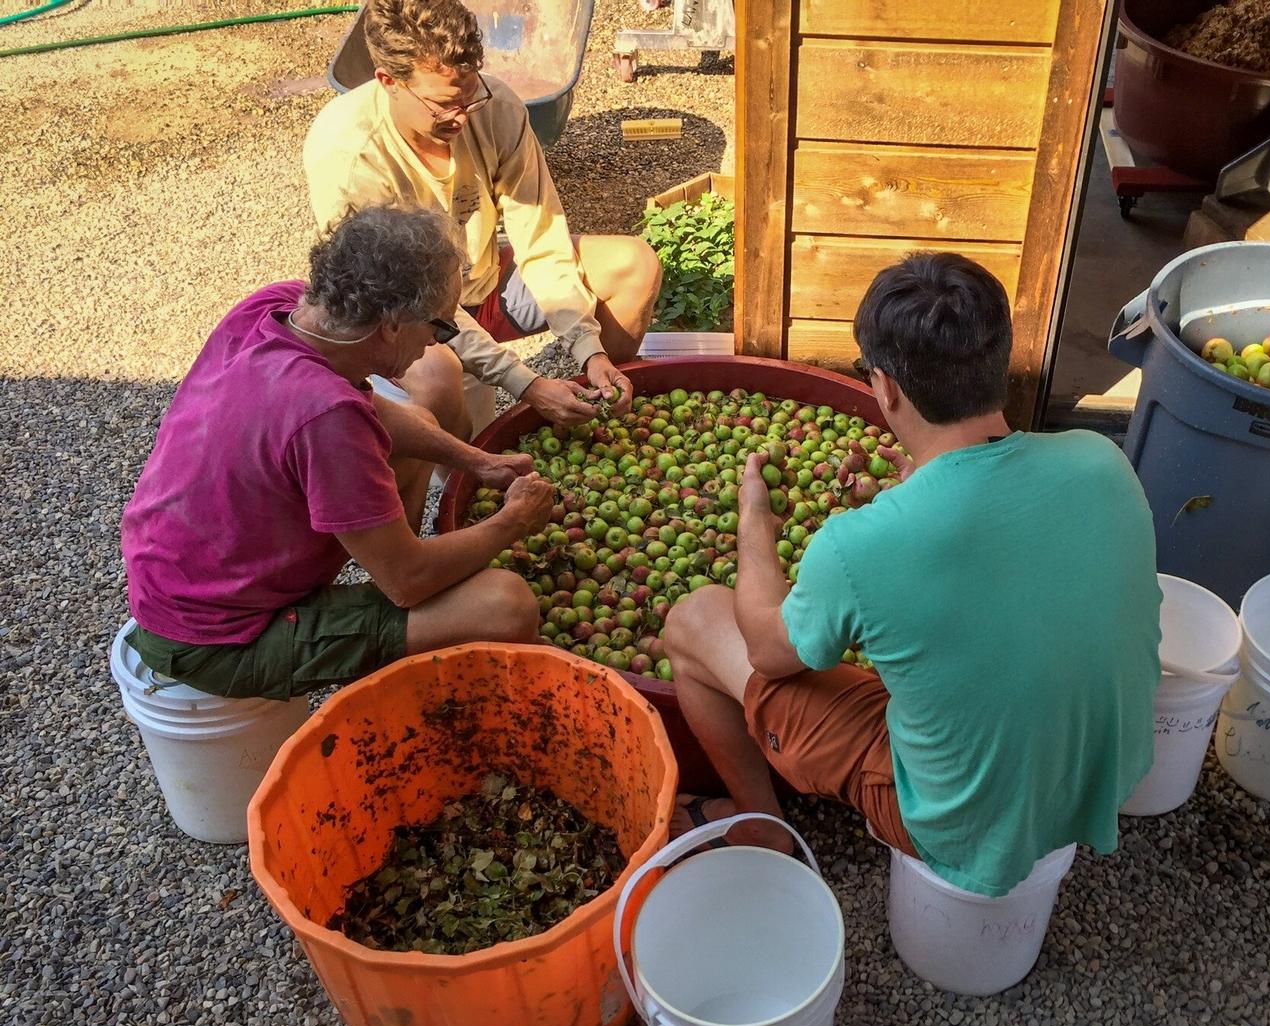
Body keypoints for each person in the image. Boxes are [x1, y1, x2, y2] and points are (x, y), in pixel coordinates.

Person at [663, 253, 1162, 896]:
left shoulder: (858, 545)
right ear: (999, 362)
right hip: (1108, 776)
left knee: (694, 619)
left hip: (960, 827)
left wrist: (754, 523)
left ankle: (764, 828)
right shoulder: (1102, 460)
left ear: (886, 388)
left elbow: (765, 648)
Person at [121, 204, 553, 701]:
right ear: (391, 324)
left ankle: (392, 583)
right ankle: (407, 653)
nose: (439, 343)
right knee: (504, 604)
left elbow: (369, 413)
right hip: (215, 639)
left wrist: (478, 461)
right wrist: (515, 520)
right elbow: (408, 583)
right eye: (439, 327)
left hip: (177, 574)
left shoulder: (278, 308)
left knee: (418, 422)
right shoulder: (325, 418)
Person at [303, 0, 663, 441]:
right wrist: (524, 382)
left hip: (484, 282)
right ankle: (453, 478)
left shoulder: (497, 109)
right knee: (442, 387)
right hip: (411, 315)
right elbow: (402, 303)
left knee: (633, 264)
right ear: (388, 81)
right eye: (443, 104)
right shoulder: (349, 155)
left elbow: (541, 239)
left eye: (470, 95)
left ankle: (598, 407)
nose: (461, 116)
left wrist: (591, 352)